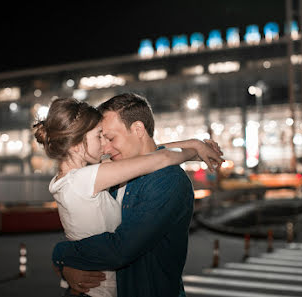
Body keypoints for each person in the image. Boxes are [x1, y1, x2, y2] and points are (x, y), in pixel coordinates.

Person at [50, 93, 224, 297]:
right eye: (101, 138)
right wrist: (193, 147)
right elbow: (156, 155)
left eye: (110, 138)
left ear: (138, 129)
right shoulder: (113, 172)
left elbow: (121, 250)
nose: (105, 148)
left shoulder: (168, 181)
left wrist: (63, 255)